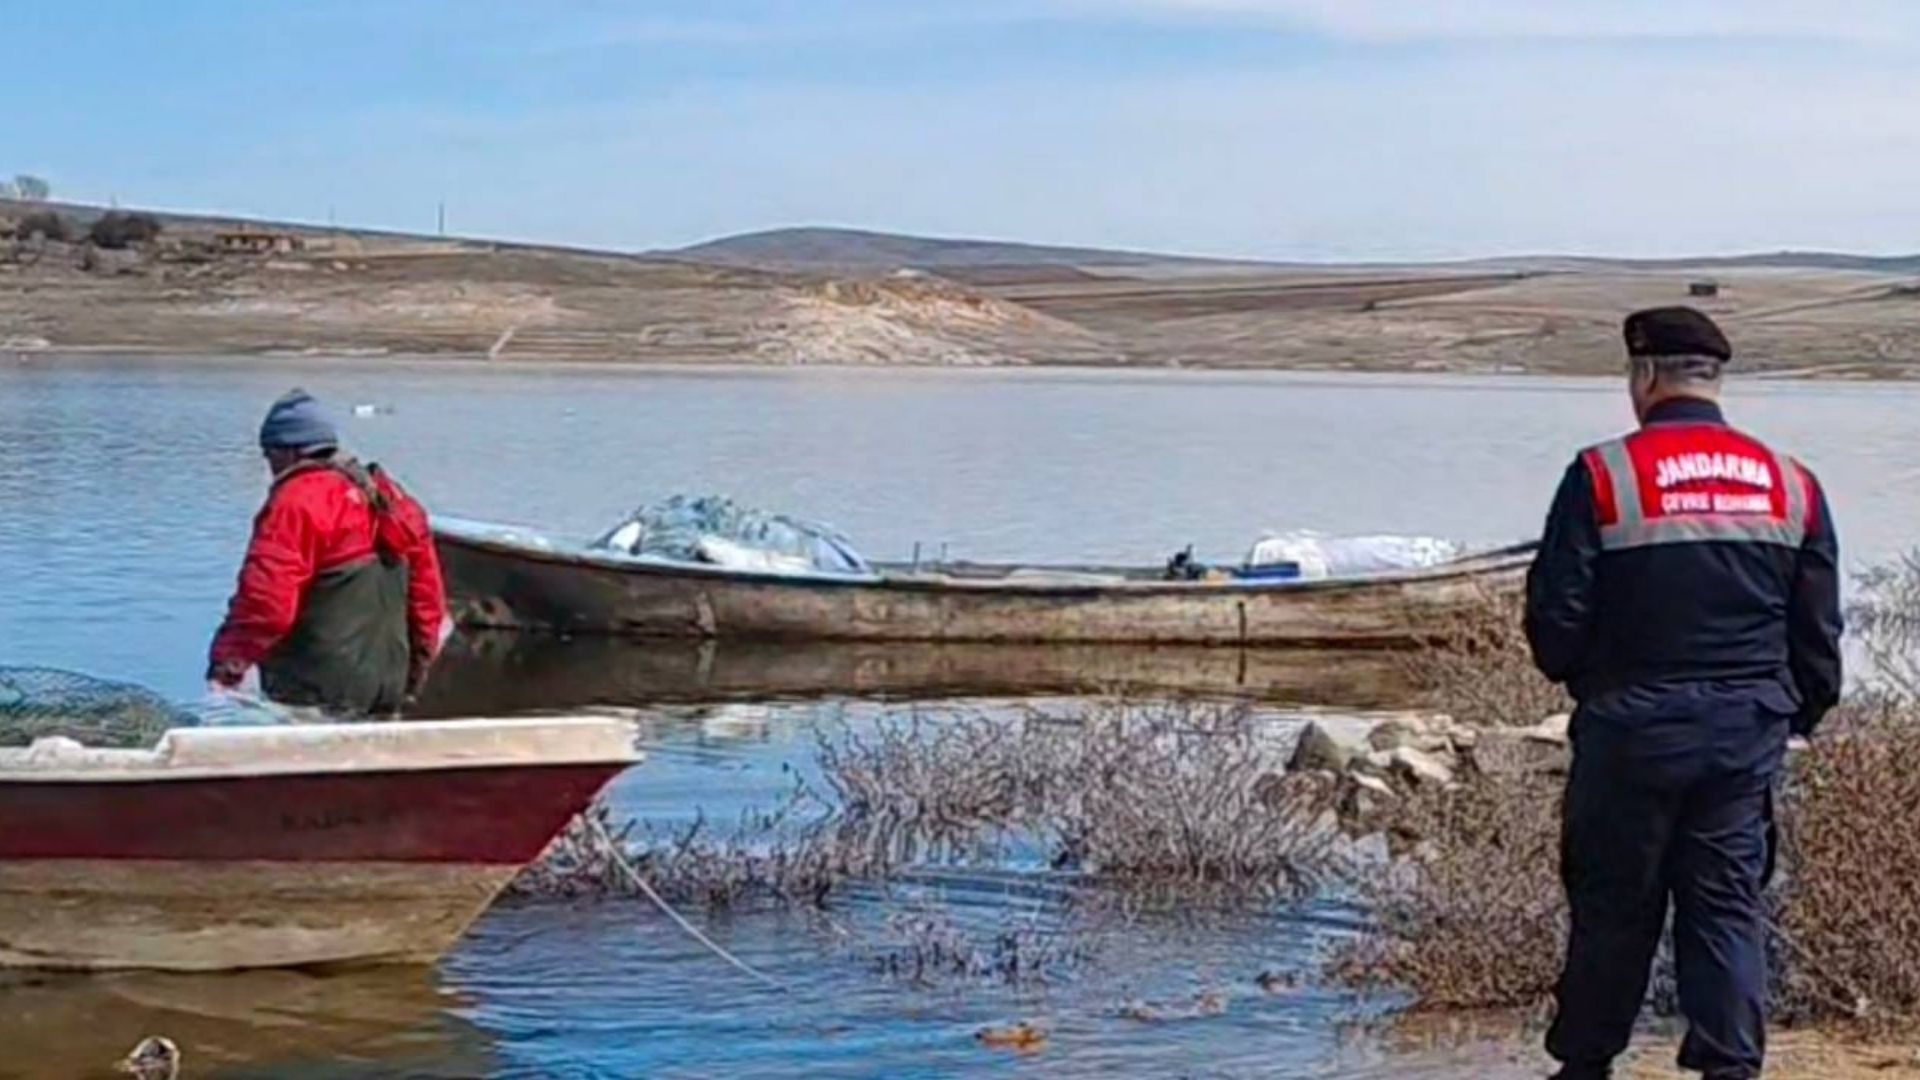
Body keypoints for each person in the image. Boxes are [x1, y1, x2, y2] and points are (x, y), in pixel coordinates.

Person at [1525, 307, 1842, 1080]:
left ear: (1643, 376)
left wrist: (1590, 686)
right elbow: (1819, 630)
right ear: (1714, 379)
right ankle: (1730, 1068)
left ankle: (1588, 1064)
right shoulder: (1791, 482)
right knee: (1727, 907)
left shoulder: (1604, 473)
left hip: (1632, 726)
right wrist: (1794, 714)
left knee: (1614, 907)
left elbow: (1555, 621)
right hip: (1743, 732)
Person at [208, 389, 447, 715]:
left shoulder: (297, 503)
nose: (270, 467)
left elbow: (267, 603)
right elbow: (427, 604)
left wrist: (228, 665)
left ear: (288, 451)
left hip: (315, 690)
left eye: (269, 455)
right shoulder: (394, 501)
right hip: (387, 685)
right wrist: (415, 674)